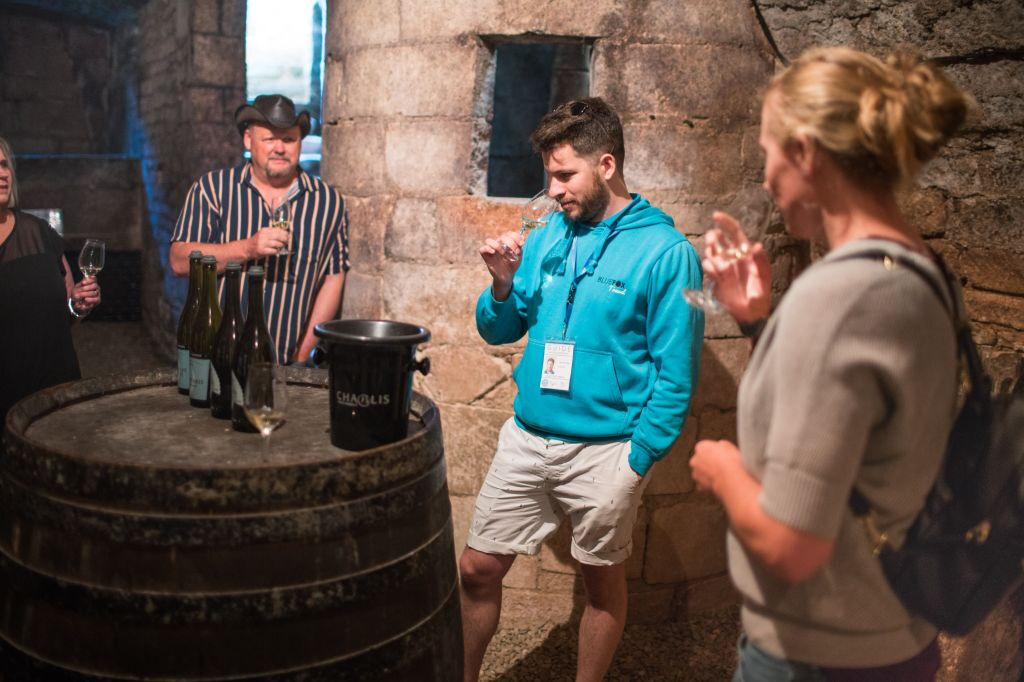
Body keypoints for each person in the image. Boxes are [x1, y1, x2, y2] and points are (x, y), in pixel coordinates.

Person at [689, 47, 972, 681]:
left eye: (769, 154)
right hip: (893, 630)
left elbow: (793, 547)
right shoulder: (918, 271)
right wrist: (760, 321)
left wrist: (724, 471)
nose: (766, 178)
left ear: (808, 152)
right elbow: (849, 432)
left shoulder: (837, 297)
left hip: (821, 652)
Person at [460, 97, 704, 682]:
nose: (555, 188)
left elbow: (677, 375)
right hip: (528, 436)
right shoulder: (545, 235)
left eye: (566, 174)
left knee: (600, 584)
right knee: (476, 568)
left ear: (608, 166)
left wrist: (636, 462)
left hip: (606, 453)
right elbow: (500, 329)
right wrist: (499, 285)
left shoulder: (667, 254)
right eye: (550, 174)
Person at [168, 94, 349, 365]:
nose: (279, 148)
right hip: (214, 358)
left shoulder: (327, 202)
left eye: (288, 139)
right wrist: (247, 248)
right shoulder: (213, 190)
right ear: (248, 140)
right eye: (269, 139)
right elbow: (179, 262)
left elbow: (333, 278)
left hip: (284, 366)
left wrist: (302, 355)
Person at [0, 136, 101, 431]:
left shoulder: (39, 234)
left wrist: (79, 305)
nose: (3, 173)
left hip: (52, 391)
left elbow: (66, 310)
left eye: (5, 165)